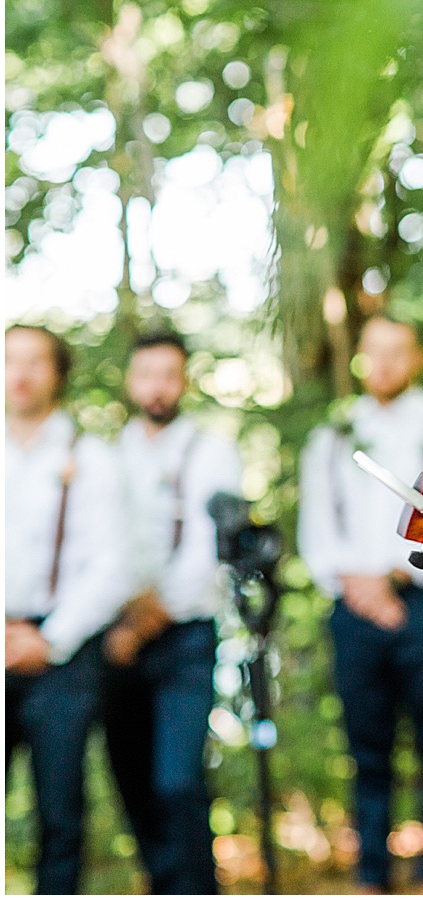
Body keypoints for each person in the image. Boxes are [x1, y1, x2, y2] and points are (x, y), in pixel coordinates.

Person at [299, 315, 423, 893]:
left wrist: (396, 578)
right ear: (358, 356)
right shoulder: (332, 433)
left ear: (418, 357)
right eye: (373, 351)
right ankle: (371, 875)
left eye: (397, 352)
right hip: (353, 608)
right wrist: (360, 587)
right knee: (367, 747)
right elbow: (316, 527)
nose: (384, 363)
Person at [100, 328, 244, 894]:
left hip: (183, 637)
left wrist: (143, 622)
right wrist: (119, 623)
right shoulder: (108, 453)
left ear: (183, 380)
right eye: (146, 374)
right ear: (131, 381)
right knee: (129, 780)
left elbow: (207, 553)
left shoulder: (212, 451)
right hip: (113, 638)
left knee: (178, 781)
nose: (157, 386)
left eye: (169, 374)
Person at [5, 324, 133, 894]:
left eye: (36, 361)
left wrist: (51, 638)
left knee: (60, 813)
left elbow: (113, 565)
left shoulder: (93, 458)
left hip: (64, 654)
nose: (22, 373)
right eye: (11, 360)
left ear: (58, 373)